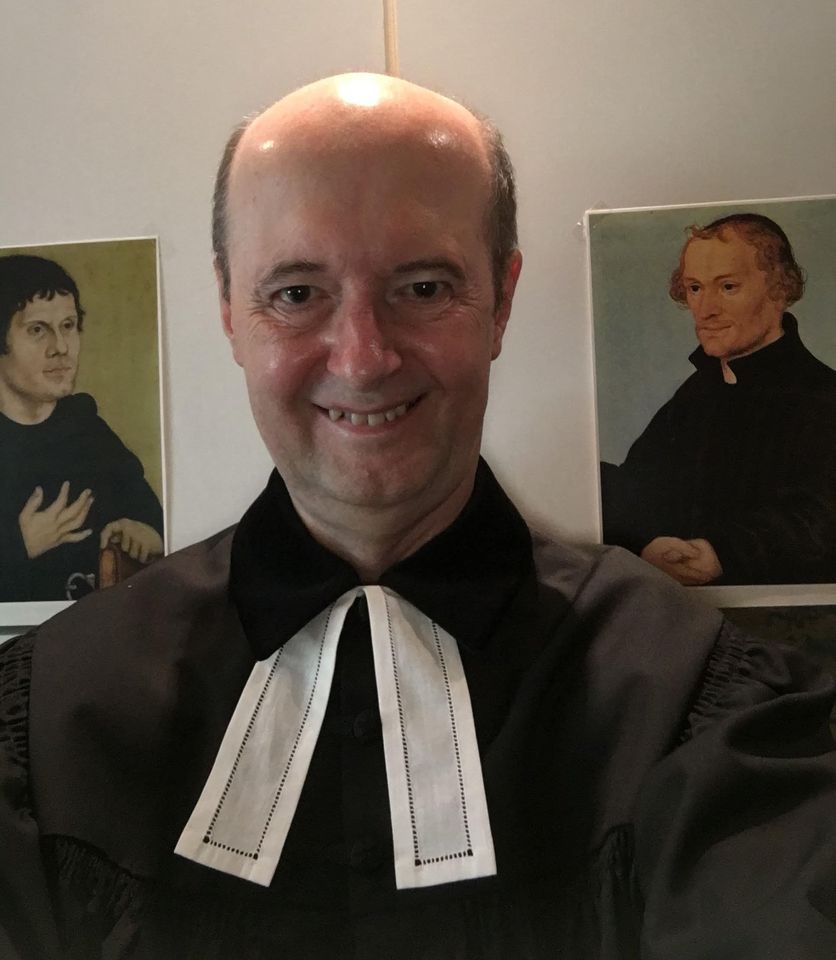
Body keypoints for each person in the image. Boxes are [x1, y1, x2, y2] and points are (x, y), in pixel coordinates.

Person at [1, 75, 835, 960]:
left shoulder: (705, 707)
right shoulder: (50, 717)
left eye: (425, 286)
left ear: (502, 301)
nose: (363, 359)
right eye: (296, 294)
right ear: (229, 311)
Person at [601, 213, 836, 585]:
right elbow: (640, 488)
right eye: (695, 288)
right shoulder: (696, 394)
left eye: (727, 287)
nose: (706, 309)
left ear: (779, 289)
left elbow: (820, 520)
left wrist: (721, 554)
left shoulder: (823, 397)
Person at [0, 255, 164, 601]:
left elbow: (155, 519)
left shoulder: (86, 428)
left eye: (69, 325)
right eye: (37, 330)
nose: (61, 348)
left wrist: (145, 533)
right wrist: (20, 545)